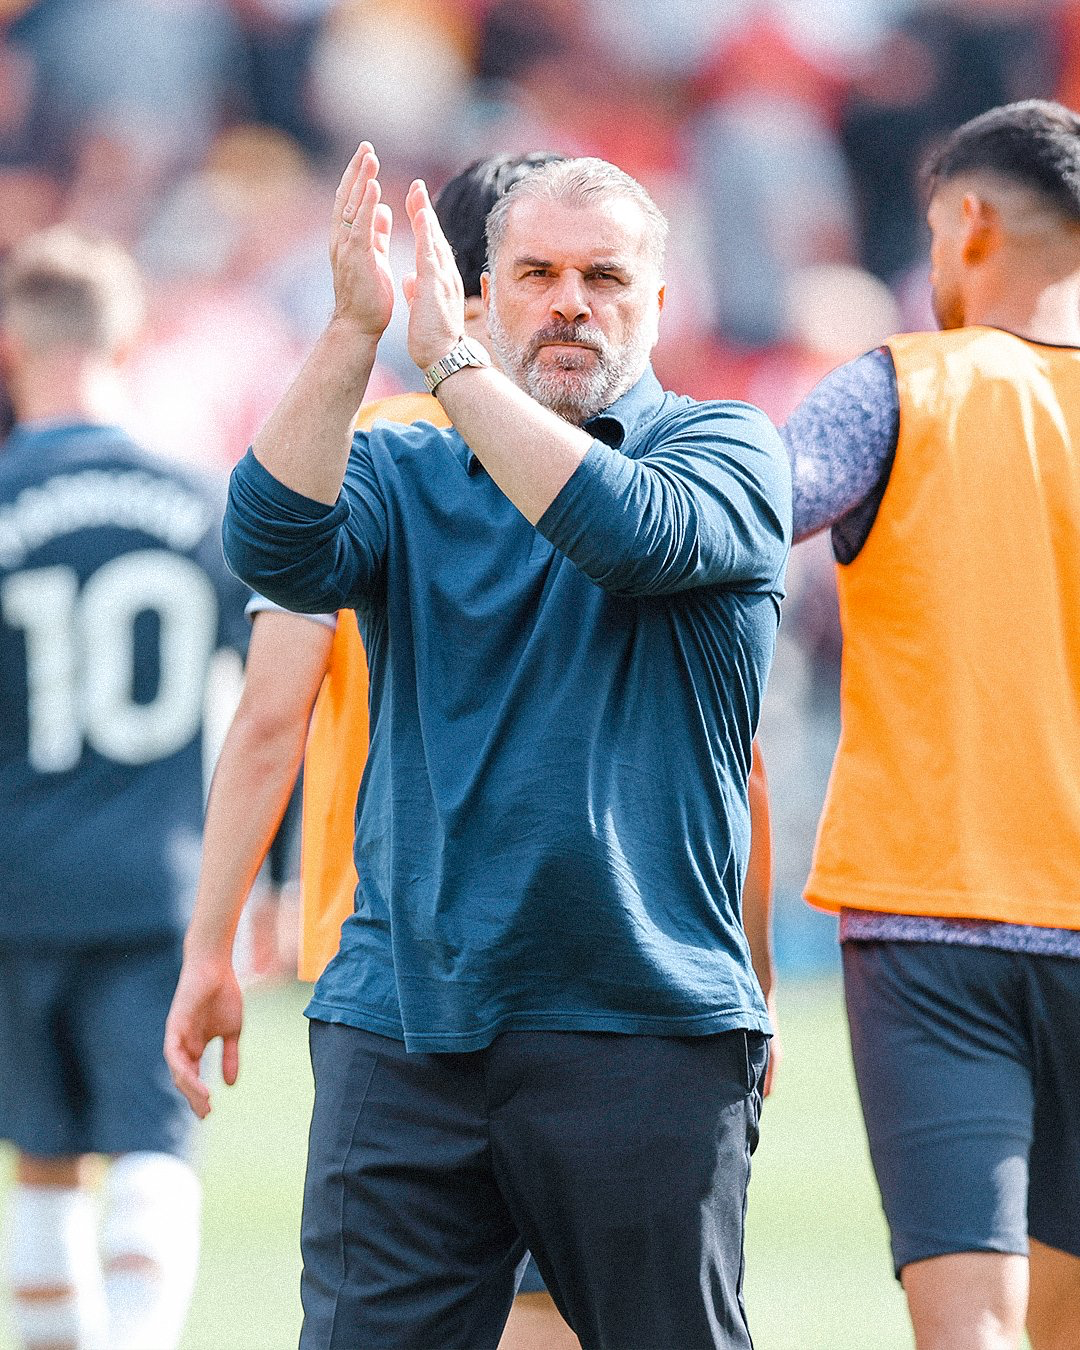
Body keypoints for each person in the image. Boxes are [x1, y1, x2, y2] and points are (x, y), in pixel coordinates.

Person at [217, 142, 789, 1348]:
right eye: (535, 273)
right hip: (404, 1020)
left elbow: (627, 534)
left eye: (604, 276)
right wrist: (348, 336)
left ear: (659, 305)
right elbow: (272, 546)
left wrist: (457, 369)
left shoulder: (727, 448)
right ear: (484, 291)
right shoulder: (402, 459)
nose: (571, 301)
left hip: (643, 1020)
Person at [166, 150, 586, 1350]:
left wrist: (211, 943)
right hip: (577, 940)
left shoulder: (361, 454)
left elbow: (268, 722)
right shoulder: (604, 457)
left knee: (395, 1296)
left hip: (385, 945)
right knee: (547, 1295)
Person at [782, 99, 1080, 1350]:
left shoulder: (902, 385)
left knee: (973, 1330)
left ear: (966, 222)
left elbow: (716, 524)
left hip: (934, 914)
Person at [0, 227, 249, 1350]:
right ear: (131, 335)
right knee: (152, 1147)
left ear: (13, 345)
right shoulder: (202, 505)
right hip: (159, 879)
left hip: (14, 880)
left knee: (42, 1158)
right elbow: (266, 701)